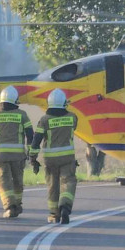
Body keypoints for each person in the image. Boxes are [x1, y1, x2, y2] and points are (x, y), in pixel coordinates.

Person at [0, 86, 34, 218]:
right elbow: (30, 134)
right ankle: (18, 205)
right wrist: (31, 152)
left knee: (4, 182)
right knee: (17, 181)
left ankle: (10, 206)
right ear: (15, 100)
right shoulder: (22, 115)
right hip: (18, 156)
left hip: (2, 156)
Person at [29, 89, 78, 224]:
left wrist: (32, 158)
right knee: (68, 182)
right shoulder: (72, 117)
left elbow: (36, 140)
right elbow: (74, 127)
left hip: (50, 159)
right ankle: (65, 207)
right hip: (67, 158)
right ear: (63, 103)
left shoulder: (44, 120)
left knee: (52, 185)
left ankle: (54, 215)